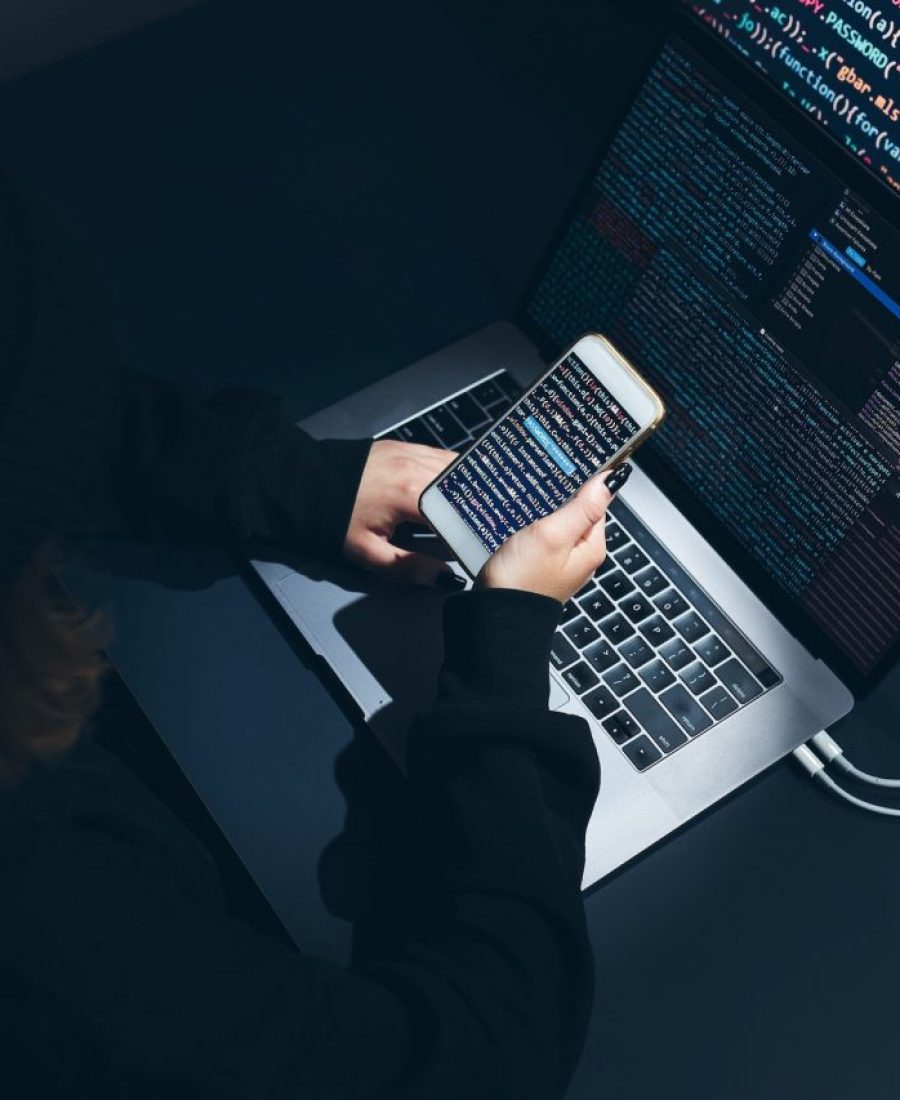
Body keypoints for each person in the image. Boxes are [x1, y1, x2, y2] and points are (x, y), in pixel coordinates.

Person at [0, 171, 620, 1098]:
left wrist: (288, 480)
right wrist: (506, 648)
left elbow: (41, 409)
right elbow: (481, 1059)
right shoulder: (51, 919)